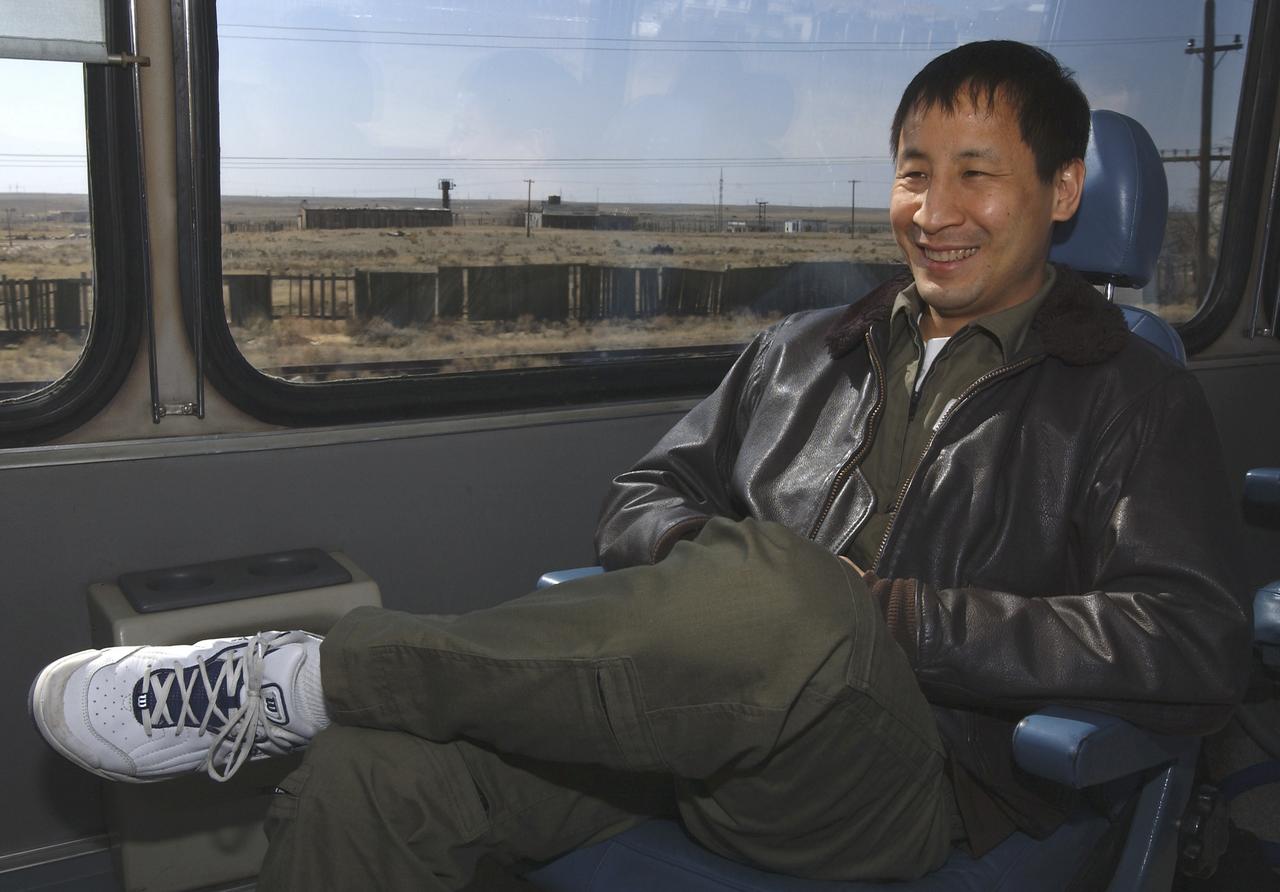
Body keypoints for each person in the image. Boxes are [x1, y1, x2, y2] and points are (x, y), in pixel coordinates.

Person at [29, 40, 1251, 890]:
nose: (933, 207)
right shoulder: (801, 351)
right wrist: (701, 585)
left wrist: (889, 615)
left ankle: (306, 674)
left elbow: (1189, 643)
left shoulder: (1131, 394)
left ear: (1063, 186)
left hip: (917, 774)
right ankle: (330, 701)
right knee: (371, 779)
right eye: (913, 171)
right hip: (695, 727)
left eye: (975, 173)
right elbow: (642, 497)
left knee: (793, 596)